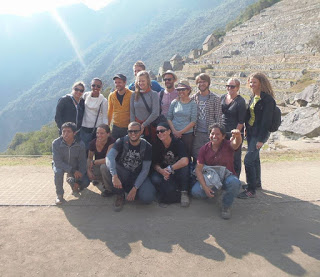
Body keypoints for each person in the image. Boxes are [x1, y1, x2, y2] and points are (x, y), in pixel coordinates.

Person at [191, 123, 242, 219]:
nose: (214, 136)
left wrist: (238, 136)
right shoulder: (204, 149)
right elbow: (198, 170)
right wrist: (205, 188)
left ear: (223, 136)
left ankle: (226, 206)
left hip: (227, 176)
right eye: (212, 133)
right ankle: (215, 192)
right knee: (196, 191)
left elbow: (236, 144)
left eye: (218, 134)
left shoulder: (228, 145)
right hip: (212, 178)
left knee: (235, 183)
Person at [238, 72, 276, 199]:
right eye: (250, 82)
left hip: (260, 133)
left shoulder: (268, 100)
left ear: (261, 83)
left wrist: (261, 139)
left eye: (254, 82)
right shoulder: (254, 96)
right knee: (255, 159)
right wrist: (246, 129)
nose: (251, 84)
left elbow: (266, 121)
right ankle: (257, 183)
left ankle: (251, 189)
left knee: (248, 160)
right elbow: (250, 115)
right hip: (251, 132)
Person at [105, 122, 156, 211]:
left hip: (138, 174)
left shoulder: (147, 146)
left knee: (148, 198)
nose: (133, 134)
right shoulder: (121, 141)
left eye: (136, 131)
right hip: (123, 172)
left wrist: (135, 188)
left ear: (141, 132)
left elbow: (145, 170)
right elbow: (109, 157)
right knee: (105, 167)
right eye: (130, 131)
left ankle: (132, 190)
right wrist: (114, 176)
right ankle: (120, 194)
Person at [151, 122, 190, 207]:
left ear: (169, 131)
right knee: (155, 178)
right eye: (157, 132)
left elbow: (185, 160)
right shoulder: (157, 144)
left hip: (176, 170)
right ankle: (167, 192)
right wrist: (161, 171)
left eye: (162, 131)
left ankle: (184, 193)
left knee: (185, 168)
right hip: (164, 173)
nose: (159, 133)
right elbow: (154, 163)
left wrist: (170, 168)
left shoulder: (178, 143)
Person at [52, 122, 90, 205]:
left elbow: (82, 162)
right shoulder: (56, 143)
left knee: (85, 182)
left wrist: (78, 181)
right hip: (61, 166)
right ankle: (59, 195)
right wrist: (72, 171)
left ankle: (73, 182)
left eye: (68, 131)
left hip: (74, 165)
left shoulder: (80, 144)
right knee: (58, 172)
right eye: (63, 131)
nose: (65, 134)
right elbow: (57, 162)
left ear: (74, 133)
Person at [191, 73, 222, 161]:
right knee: (197, 157)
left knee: (211, 157)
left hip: (211, 134)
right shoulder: (193, 98)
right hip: (197, 133)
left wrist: (218, 134)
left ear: (208, 83)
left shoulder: (216, 98)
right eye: (199, 82)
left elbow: (218, 117)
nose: (201, 84)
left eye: (204, 81)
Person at [221, 78, 246, 177]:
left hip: (235, 132)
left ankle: (235, 179)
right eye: (228, 86)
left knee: (235, 157)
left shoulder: (240, 101)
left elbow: (241, 121)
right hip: (223, 132)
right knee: (223, 156)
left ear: (238, 88)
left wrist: (235, 135)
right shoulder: (223, 97)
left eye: (232, 86)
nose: (229, 88)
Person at [167, 80, 197, 159]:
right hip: (174, 133)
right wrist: (174, 131)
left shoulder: (193, 104)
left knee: (186, 155)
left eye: (183, 89)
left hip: (187, 135)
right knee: (174, 155)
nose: (181, 92)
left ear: (188, 90)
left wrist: (180, 132)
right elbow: (169, 117)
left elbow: (193, 121)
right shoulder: (174, 102)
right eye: (179, 90)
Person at [130, 70, 160, 143]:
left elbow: (155, 113)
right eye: (139, 81)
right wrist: (134, 127)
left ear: (148, 81)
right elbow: (132, 112)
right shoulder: (134, 95)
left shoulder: (153, 94)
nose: (141, 83)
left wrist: (143, 125)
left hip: (149, 128)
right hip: (136, 129)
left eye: (143, 81)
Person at [87, 124, 115, 197]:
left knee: (103, 167)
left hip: (112, 166)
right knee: (88, 168)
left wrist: (94, 162)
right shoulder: (93, 143)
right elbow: (89, 158)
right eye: (97, 133)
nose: (99, 135)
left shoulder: (112, 142)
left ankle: (109, 189)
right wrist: (88, 170)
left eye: (102, 133)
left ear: (108, 134)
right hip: (98, 164)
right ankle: (103, 181)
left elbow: (107, 160)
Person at [80, 78, 108, 151]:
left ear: (101, 87)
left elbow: (105, 116)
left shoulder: (103, 101)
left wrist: (106, 130)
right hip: (84, 128)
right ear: (90, 86)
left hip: (96, 129)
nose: (95, 88)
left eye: (98, 86)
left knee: (96, 150)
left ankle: (94, 162)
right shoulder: (85, 95)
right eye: (93, 85)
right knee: (84, 150)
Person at [108, 74, 133, 140]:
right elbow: (110, 112)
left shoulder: (132, 94)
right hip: (115, 127)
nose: (117, 84)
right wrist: (108, 126)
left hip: (128, 127)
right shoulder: (111, 96)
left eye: (119, 82)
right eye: (116, 82)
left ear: (125, 82)